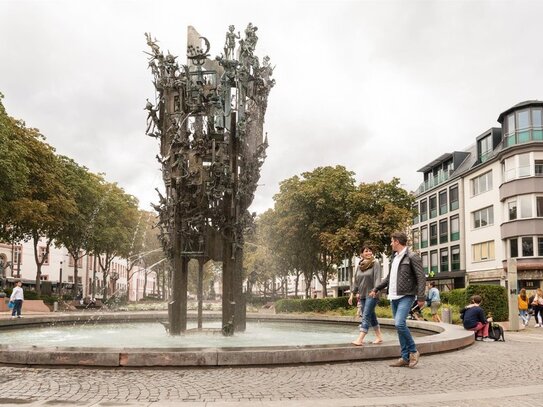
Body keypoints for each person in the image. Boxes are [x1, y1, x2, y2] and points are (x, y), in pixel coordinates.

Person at [369, 232, 426, 368]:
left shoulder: (412, 256)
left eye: (391, 241)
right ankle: (404, 357)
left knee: (400, 324)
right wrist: (376, 288)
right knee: (399, 328)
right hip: (393, 296)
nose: (390, 244)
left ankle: (413, 351)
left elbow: (421, 277)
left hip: (406, 295)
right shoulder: (394, 258)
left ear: (397, 242)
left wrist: (421, 297)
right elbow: (389, 278)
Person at [348, 245, 383, 346]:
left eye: (370, 251)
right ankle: (379, 337)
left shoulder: (375, 263)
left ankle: (360, 339)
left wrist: (375, 290)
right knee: (371, 316)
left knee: (366, 315)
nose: (369, 253)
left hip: (372, 294)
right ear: (361, 254)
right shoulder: (359, 266)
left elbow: (377, 278)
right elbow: (356, 281)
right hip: (362, 295)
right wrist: (352, 294)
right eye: (366, 251)